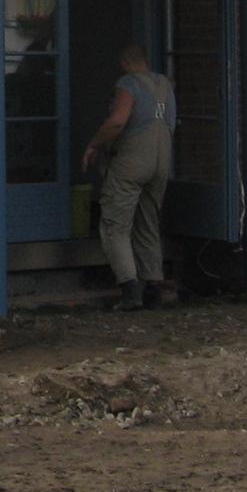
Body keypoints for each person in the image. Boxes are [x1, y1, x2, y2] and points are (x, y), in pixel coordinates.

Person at [79, 43, 175, 310]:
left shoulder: (128, 84)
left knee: (115, 225)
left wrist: (94, 144)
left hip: (131, 163)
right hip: (161, 162)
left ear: (124, 62)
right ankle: (153, 285)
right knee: (148, 224)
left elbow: (118, 121)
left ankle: (130, 290)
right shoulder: (165, 85)